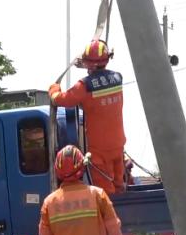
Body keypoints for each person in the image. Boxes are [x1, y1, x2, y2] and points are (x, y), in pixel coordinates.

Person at [48, 39, 127, 195]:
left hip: (99, 150)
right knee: (119, 185)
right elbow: (99, 80)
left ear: (89, 64)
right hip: (118, 144)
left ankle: (110, 215)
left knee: (106, 192)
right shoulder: (118, 78)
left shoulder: (84, 86)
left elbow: (62, 99)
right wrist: (86, 64)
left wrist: (54, 89)